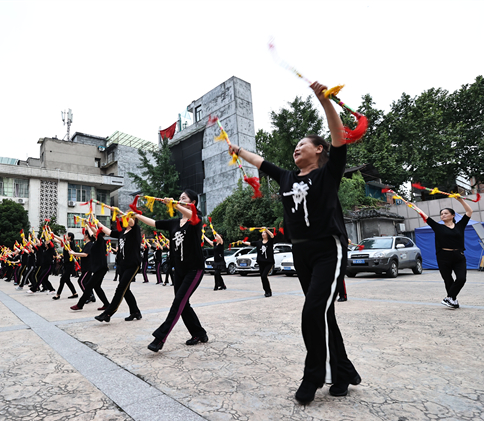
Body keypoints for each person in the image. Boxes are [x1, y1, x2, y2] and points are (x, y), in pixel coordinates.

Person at [231, 81, 360, 404]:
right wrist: (239, 151)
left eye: (303, 144)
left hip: (328, 249)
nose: (296, 148)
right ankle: (342, 372)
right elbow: (260, 162)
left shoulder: (328, 173)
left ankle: (313, 377)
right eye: (295, 146)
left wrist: (323, 100)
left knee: (312, 311)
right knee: (323, 315)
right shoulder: (288, 178)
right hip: (300, 250)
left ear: (319, 150)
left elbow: (339, 137)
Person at [135, 190, 208, 352]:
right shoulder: (174, 223)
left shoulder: (195, 220)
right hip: (179, 270)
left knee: (178, 303)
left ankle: (160, 338)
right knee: (183, 304)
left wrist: (174, 204)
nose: (179, 200)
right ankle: (199, 333)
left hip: (194, 269)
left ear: (193, 203)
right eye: (179, 198)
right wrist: (136, 216)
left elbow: (193, 216)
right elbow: (154, 223)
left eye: (184, 198)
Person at [92, 214, 143, 322]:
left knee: (120, 289)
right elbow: (107, 231)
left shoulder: (135, 230)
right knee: (126, 290)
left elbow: (131, 222)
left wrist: (125, 214)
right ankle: (135, 312)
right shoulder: (122, 232)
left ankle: (108, 313)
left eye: (128, 216)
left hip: (132, 265)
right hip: (122, 265)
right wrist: (96, 221)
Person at [424, 197, 473, 309]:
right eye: (441, 214)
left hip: (459, 256)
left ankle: (449, 297)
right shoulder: (438, 227)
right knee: (448, 279)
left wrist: (460, 200)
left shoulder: (460, 226)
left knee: (461, 279)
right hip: (443, 257)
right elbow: (425, 216)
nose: (443, 215)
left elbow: (469, 212)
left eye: (446, 213)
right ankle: (453, 300)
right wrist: (412, 206)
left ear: (453, 215)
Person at [69, 223, 110, 311]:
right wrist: (87, 225)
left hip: (101, 268)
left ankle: (80, 305)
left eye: (96, 233)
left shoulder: (101, 241)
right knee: (97, 287)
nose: (93, 234)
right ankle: (106, 304)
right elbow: (93, 233)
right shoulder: (96, 242)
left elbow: (95, 232)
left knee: (88, 286)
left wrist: (89, 224)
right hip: (98, 268)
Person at [241, 229, 275, 297]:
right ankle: (266, 291)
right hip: (261, 262)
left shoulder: (270, 242)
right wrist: (243, 242)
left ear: (267, 234)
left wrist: (266, 229)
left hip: (269, 262)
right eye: (262, 233)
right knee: (262, 277)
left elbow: (272, 235)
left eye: (264, 233)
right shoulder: (259, 242)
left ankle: (268, 291)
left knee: (264, 276)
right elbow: (250, 243)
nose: (263, 234)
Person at [53, 233, 78, 300]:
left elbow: (61, 240)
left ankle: (58, 294)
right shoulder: (66, 244)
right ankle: (74, 293)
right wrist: (52, 237)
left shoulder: (70, 243)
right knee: (67, 280)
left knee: (63, 279)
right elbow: (59, 241)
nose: (65, 236)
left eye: (67, 235)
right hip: (66, 264)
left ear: (69, 237)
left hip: (70, 264)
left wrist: (54, 235)